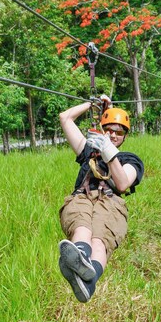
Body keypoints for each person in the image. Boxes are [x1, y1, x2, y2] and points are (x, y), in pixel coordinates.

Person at [58, 94, 144, 303]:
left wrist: (109, 152)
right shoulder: (88, 151)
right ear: (103, 129)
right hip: (82, 197)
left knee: (99, 240)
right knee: (82, 227)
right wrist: (93, 105)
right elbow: (65, 118)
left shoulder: (130, 159)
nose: (114, 135)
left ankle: (89, 281)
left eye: (119, 132)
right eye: (110, 130)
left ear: (125, 137)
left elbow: (123, 183)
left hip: (110, 202)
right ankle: (78, 258)